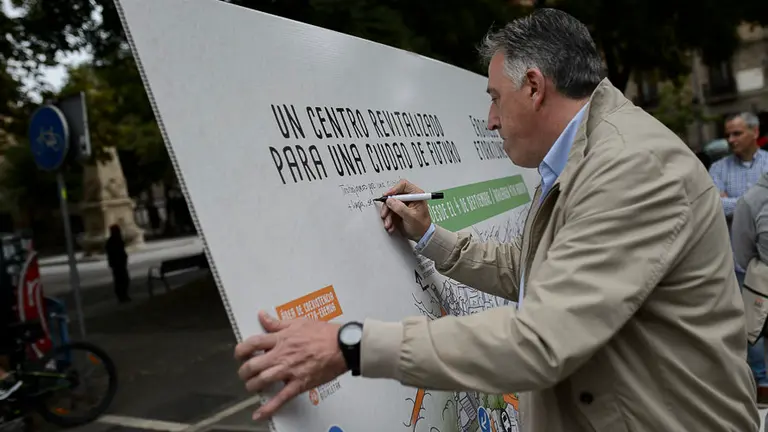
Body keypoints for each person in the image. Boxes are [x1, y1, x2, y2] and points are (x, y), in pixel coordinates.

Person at [234, 9, 759, 431]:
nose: (488, 119)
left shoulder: (630, 167)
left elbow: (541, 339)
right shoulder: (583, 154)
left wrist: (348, 345)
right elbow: (531, 270)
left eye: (494, 98)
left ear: (533, 87)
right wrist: (431, 234)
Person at [709, 112, 768, 401]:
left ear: (754, 133)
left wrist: (732, 202)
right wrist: (753, 202)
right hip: (739, 263)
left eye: (736, 133)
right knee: (751, 331)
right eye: (728, 134)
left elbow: (727, 206)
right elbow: (713, 207)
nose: (730, 140)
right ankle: (762, 386)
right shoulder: (718, 168)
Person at [105, 224, 131, 303]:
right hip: (118, 263)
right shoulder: (115, 241)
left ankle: (123, 295)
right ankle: (122, 296)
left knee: (121, 280)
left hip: (118, 264)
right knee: (122, 280)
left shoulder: (113, 241)